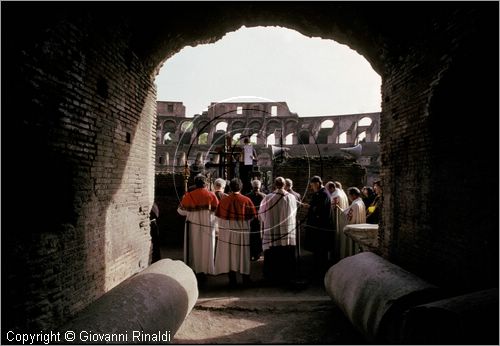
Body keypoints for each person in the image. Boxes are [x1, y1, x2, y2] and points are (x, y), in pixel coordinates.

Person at [214, 178, 257, 287]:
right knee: (243, 254)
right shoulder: (246, 200)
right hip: (242, 230)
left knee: (229, 254)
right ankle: (245, 279)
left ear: (230, 187)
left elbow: (219, 216)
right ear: (241, 187)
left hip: (228, 231)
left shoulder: (224, 200)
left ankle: (232, 279)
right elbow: (253, 216)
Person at [177, 174, 219, 284]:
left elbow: (180, 211)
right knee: (207, 247)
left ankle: (194, 270)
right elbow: (218, 211)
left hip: (193, 225)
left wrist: (190, 212)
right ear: (205, 183)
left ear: (195, 184)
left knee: (194, 246)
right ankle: (206, 270)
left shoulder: (189, 195)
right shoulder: (211, 195)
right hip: (208, 225)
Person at [259, 177, 298, 284]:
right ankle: (287, 275)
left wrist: (268, 221)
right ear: (284, 185)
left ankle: (271, 276)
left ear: (275, 185)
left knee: (273, 253)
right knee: (286, 252)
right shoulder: (291, 197)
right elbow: (294, 214)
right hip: (286, 231)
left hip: (272, 231)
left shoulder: (268, 198)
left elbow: (261, 213)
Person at [303, 175, 334, 279]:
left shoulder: (324, 194)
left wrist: (310, 207)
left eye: (312, 185)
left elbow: (321, 210)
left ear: (317, 183)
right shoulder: (320, 193)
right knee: (318, 250)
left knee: (321, 250)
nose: (312, 187)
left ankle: (321, 272)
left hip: (321, 227)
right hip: (318, 226)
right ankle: (317, 269)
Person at [245, 179, 266, 261]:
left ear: (252, 186)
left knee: (250, 236)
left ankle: (250, 253)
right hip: (260, 219)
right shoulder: (264, 196)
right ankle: (257, 253)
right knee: (259, 236)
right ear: (260, 186)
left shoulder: (247, 196)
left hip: (250, 219)